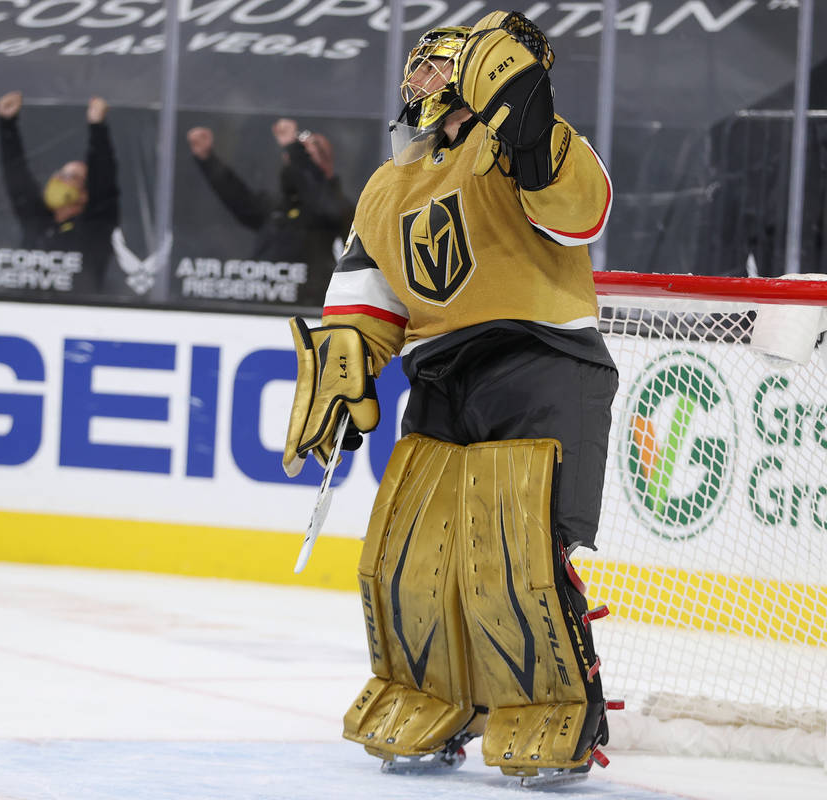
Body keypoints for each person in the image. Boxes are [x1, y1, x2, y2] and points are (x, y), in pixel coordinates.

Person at [282, 12, 617, 786]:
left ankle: (552, 708)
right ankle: (430, 698)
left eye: (440, 68)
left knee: (512, 552)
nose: (421, 82)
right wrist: (344, 364)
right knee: (408, 557)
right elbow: (367, 300)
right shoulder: (388, 182)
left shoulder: (520, 146)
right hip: (438, 374)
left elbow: (580, 209)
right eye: (419, 69)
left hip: (541, 357)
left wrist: (530, 115)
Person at [186, 119, 354, 306]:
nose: (295, 160)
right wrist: (208, 159)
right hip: (263, 308)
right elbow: (238, 198)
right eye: (292, 155)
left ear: (327, 164)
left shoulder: (337, 207)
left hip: (307, 312)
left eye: (306, 155)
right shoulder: (278, 207)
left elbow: (320, 198)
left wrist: (295, 150)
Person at [0, 91, 120, 294]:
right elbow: (15, 175)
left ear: (85, 194)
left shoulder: (96, 226)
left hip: (77, 313)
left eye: (71, 177)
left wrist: (97, 127)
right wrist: (7, 124)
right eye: (60, 174)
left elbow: (104, 181)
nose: (59, 180)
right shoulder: (38, 221)